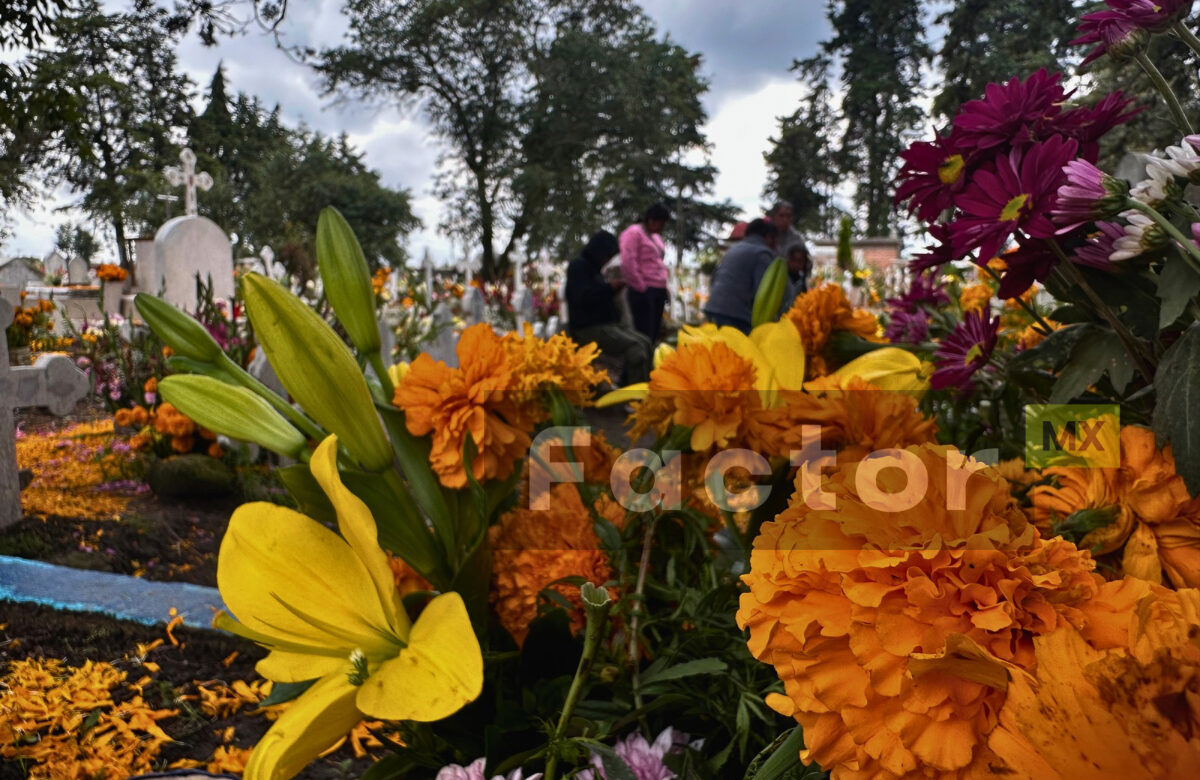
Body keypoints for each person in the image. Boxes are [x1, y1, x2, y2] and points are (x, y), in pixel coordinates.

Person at [566, 230, 651, 385]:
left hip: (605, 325)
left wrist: (611, 290)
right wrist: (609, 288)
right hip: (588, 328)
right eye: (607, 256)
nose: (607, 260)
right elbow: (582, 298)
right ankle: (635, 399)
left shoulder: (593, 269)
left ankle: (638, 387)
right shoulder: (578, 267)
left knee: (645, 341)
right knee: (636, 348)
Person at [703, 218, 779, 334]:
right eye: (775, 239)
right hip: (737, 316)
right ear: (769, 236)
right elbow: (764, 293)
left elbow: (714, 278)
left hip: (713, 308)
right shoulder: (762, 253)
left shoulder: (733, 250)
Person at [619, 203, 671, 343]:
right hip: (643, 289)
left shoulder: (656, 237)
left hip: (658, 288)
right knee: (643, 331)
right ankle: (642, 361)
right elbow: (628, 261)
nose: (662, 228)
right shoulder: (634, 233)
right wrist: (640, 287)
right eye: (660, 223)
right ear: (651, 220)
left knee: (654, 331)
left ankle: (651, 359)